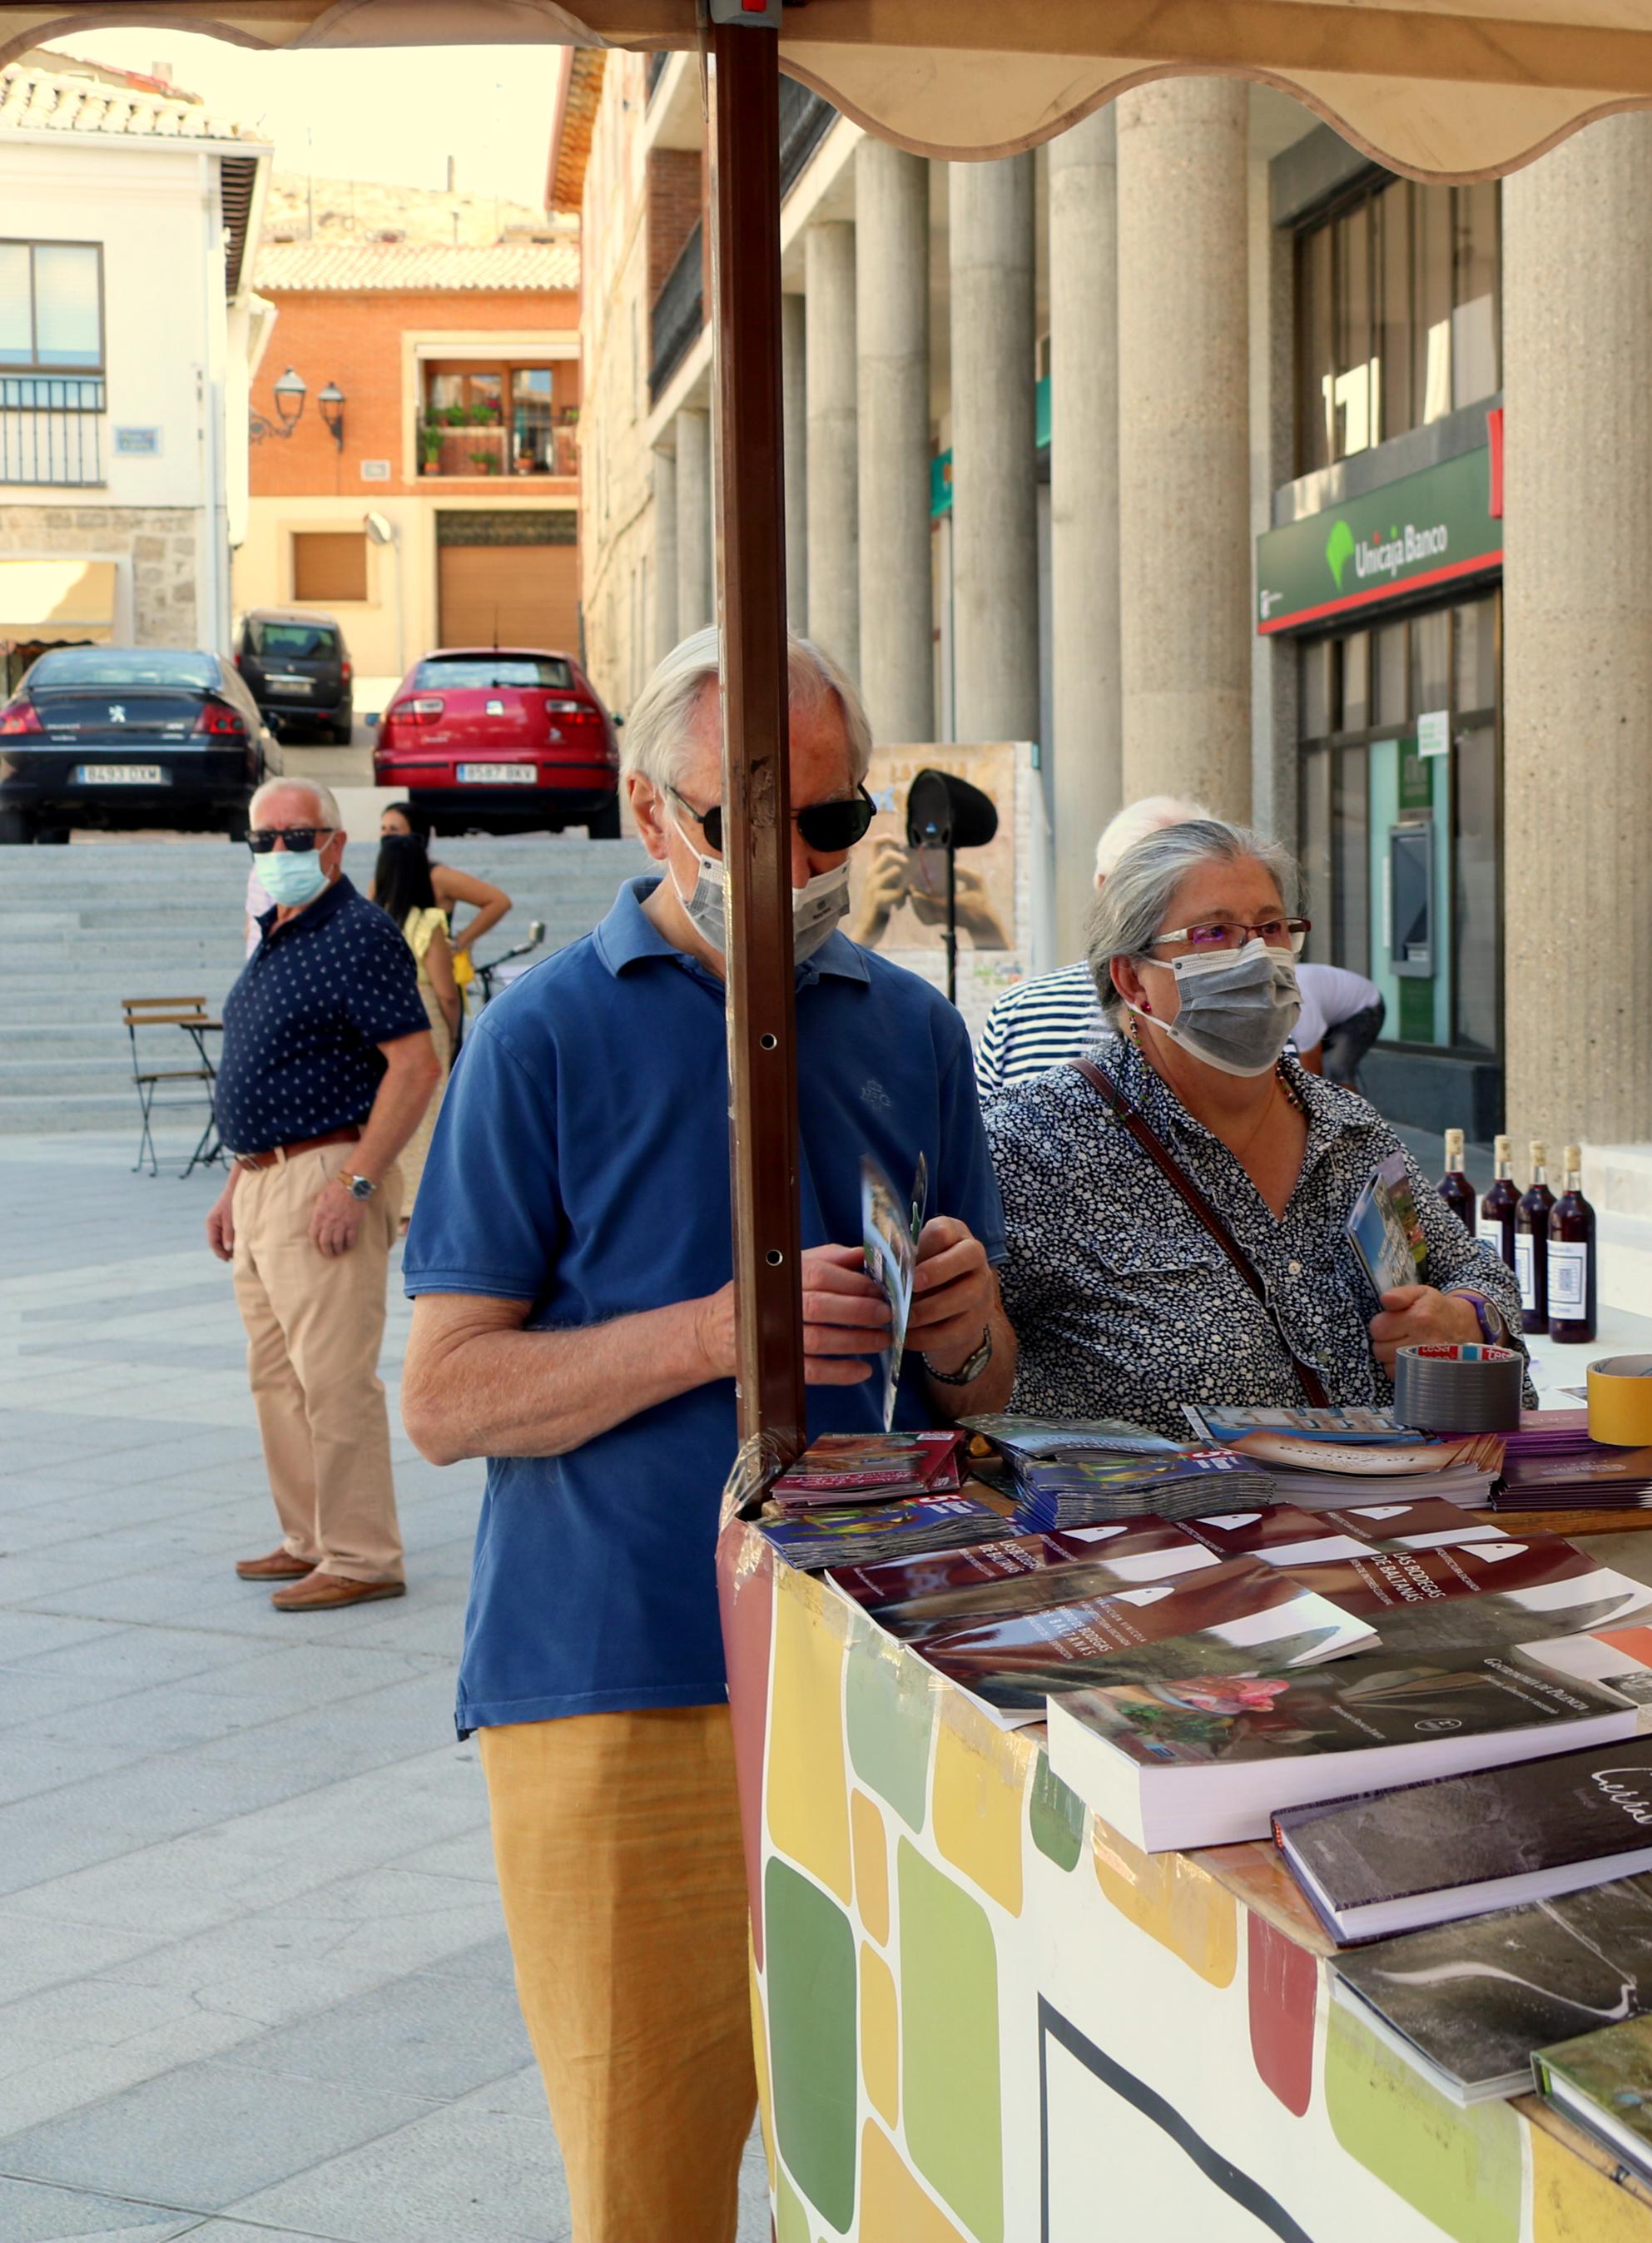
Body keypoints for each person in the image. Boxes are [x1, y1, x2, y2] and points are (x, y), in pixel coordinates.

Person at [398, 628, 1012, 2242]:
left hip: (877, 1682)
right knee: (651, 2194)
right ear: (649, 815)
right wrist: (717, 1338)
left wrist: (964, 1324)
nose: (803, 862)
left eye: (832, 823)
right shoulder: (541, 1034)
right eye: (755, 821)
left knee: (903, 2175)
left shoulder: (912, 1030)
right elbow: (444, 1395)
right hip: (621, 1688)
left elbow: (989, 1382)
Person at [986, 816, 1521, 1437]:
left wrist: (1465, 1317)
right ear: (1133, 980)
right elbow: (966, 1376)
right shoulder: (1034, 1143)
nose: (1256, 957)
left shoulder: (1346, 1128)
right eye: (1213, 932)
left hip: (1402, 1512)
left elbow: (1470, 1268)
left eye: (1270, 928)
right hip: (1174, 1527)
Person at [205, 778, 442, 1612]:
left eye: (294, 837)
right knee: (276, 1376)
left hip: (326, 1176)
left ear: (336, 845)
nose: (278, 854)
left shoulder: (357, 934)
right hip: (266, 1176)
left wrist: (356, 1180)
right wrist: (239, 1177)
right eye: (262, 840)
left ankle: (362, 1552)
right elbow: (273, 1067)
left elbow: (416, 1066)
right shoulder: (279, 933)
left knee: (333, 1377)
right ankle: (309, 1537)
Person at [972, 792, 1214, 1090]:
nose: (1164, 911)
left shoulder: (1017, 1012)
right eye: (1147, 892)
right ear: (1104, 889)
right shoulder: (1019, 1013)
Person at [369, 816, 461, 1222]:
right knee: (431, 1105)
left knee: (391, 1101)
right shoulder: (427, 922)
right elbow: (445, 990)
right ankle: (423, 1199)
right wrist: (455, 1031)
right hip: (424, 1013)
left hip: (381, 1015)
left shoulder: (371, 921)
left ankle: (393, 1195)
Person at [376, 801, 510, 1000]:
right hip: (393, 985)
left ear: (416, 835)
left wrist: (460, 942)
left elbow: (499, 901)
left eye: (394, 829)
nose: (386, 835)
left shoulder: (437, 876)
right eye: (383, 828)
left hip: (436, 986)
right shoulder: (380, 880)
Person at [1292, 958, 1385, 1081]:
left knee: (1339, 1069)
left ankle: (1350, 1096)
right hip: (1329, 1009)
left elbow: (1313, 1072)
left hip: (1366, 1006)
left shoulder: (1299, 1005)